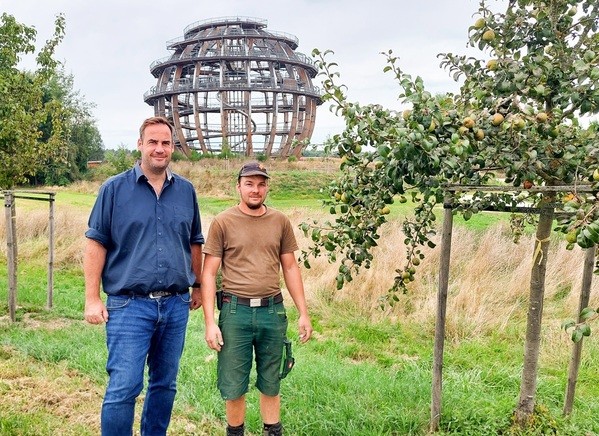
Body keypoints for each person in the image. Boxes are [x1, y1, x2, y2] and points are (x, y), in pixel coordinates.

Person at [83, 116, 204, 436]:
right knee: (124, 387)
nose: (159, 149)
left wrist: (199, 285)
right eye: (153, 142)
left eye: (166, 143)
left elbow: (195, 241)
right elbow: (96, 243)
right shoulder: (114, 189)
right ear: (140, 145)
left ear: (173, 147)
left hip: (176, 305)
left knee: (165, 385)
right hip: (129, 306)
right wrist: (92, 299)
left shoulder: (186, 192)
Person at [201, 161, 313, 436]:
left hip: (271, 311)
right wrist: (210, 322)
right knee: (234, 383)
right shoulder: (223, 222)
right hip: (234, 312)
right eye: (249, 184)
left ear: (267, 188)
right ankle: (235, 432)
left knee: (271, 380)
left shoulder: (280, 221)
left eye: (261, 184)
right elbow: (208, 274)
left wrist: (303, 313)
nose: (256, 190)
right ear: (238, 187)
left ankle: (272, 431)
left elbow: (289, 267)